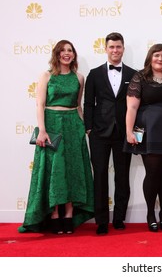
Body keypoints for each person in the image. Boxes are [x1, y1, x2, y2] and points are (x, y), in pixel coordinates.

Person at [19, 40, 94, 234]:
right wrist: (42, 130)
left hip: (73, 126)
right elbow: (39, 104)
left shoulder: (79, 77)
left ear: (74, 54)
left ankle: (68, 215)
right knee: (54, 170)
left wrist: (85, 128)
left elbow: (78, 106)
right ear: (57, 54)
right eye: (63, 51)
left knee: (72, 170)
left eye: (70, 50)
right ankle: (53, 215)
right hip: (51, 124)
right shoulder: (46, 76)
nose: (67, 54)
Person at [124, 44, 162, 232]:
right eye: (157, 55)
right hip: (148, 131)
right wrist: (128, 132)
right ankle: (150, 214)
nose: (160, 59)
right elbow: (132, 107)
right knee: (153, 173)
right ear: (150, 57)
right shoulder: (140, 77)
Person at [84, 32, 136, 235]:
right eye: (112, 47)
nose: (115, 50)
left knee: (122, 177)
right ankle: (102, 220)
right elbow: (88, 103)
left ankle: (119, 218)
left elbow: (137, 106)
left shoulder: (133, 74)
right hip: (98, 132)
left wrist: (134, 132)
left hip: (124, 133)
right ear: (106, 49)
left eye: (119, 47)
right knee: (100, 177)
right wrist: (89, 128)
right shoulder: (94, 74)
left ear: (123, 49)